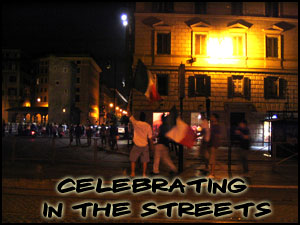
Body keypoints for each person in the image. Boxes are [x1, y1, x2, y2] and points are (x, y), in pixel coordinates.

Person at [128, 108, 153, 178]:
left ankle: (133, 173)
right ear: (145, 118)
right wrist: (152, 146)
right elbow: (150, 137)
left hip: (136, 145)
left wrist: (128, 110)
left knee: (133, 159)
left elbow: (130, 116)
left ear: (139, 117)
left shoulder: (136, 123)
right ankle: (144, 174)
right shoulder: (148, 126)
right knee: (145, 161)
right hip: (145, 145)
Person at [207, 113, 221, 178]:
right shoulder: (212, 125)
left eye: (212, 116)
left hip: (213, 144)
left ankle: (212, 173)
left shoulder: (216, 126)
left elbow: (217, 136)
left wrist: (216, 144)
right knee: (211, 159)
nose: (211, 118)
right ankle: (211, 172)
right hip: (211, 144)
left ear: (215, 118)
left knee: (212, 159)